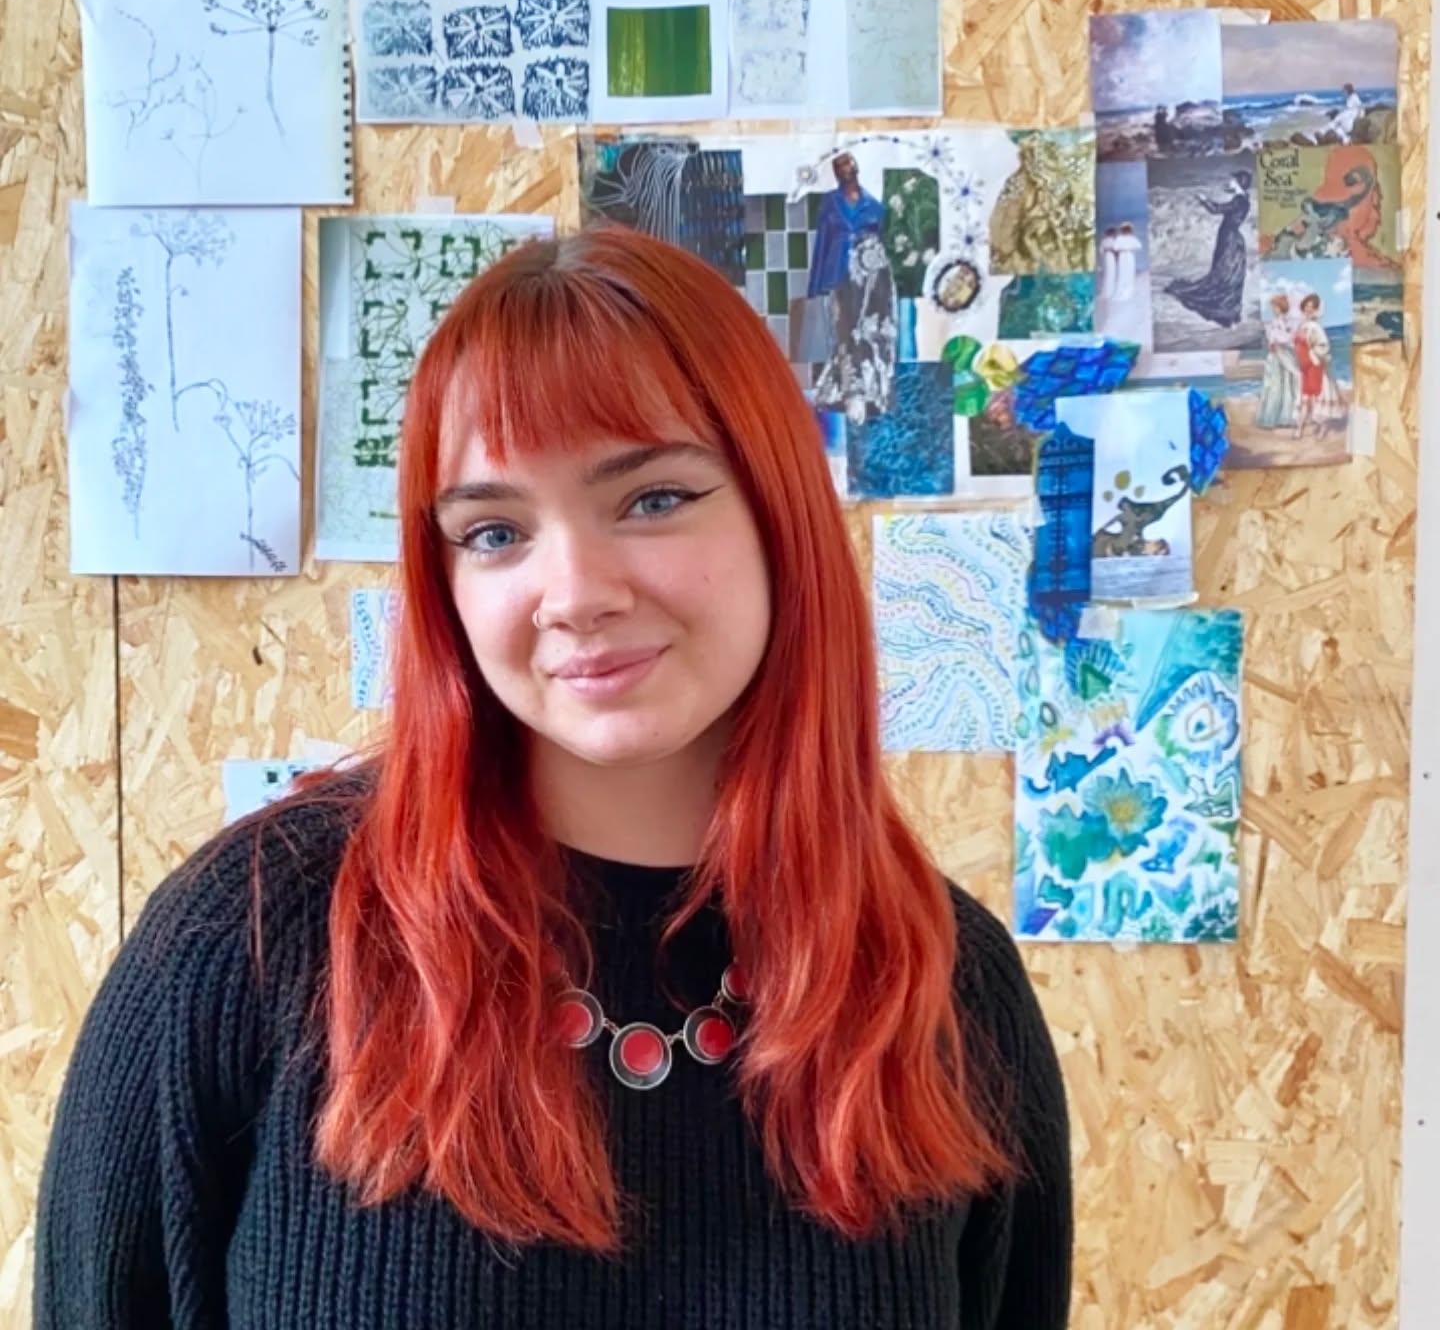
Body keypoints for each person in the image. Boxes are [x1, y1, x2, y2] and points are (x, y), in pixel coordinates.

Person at [33, 227, 1073, 1329]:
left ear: (782, 518)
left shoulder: (945, 989)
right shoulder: (245, 941)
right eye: (493, 531)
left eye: (653, 498)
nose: (573, 591)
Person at [807, 151, 898, 425]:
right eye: (841, 169)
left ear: (856, 170)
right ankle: (850, 391)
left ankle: (876, 391)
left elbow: (883, 238)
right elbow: (823, 240)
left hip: (873, 272)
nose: (846, 172)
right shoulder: (830, 202)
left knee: (874, 328)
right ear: (836, 174)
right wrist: (816, 283)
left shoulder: (875, 206)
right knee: (845, 328)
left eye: (850, 167)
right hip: (840, 271)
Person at [1164, 168, 1253, 328]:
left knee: (1223, 274)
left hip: (1229, 239)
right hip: (1233, 238)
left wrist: (1203, 199)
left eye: (1233, 180)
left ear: (1239, 183)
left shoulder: (1239, 200)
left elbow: (1215, 209)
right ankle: (1230, 312)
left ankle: (1224, 311)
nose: (1230, 182)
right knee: (1228, 275)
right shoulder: (1244, 199)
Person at [1294, 290, 1339, 438]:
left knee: (1316, 397)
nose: (1308, 309)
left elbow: (1324, 345)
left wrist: (1313, 355)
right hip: (1304, 367)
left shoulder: (1315, 327)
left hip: (1315, 367)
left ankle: (1321, 429)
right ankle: (1300, 428)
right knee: (1305, 398)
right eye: (1306, 306)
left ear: (1315, 309)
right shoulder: (1302, 325)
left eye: (1311, 306)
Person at [1256, 292, 1300, 430]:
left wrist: (1277, 341)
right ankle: (1272, 417)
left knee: (1286, 385)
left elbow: (1289, 339)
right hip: (1276, 357)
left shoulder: (1287, 322)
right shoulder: (1274, 323)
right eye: (1273, 307)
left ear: (1280, 307)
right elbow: (1273, 339)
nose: (1273, 310)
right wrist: (1274, 340)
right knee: (1275, 385)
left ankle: (1285, 417)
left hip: (1284, 355)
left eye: (1275, 307)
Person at [1112, 221, 1142, 300]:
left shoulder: (1132, 238)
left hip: (1130, 256)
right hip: (1122, 256)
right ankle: (1120, 293)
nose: (1127, 231)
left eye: (1128, 229)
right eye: (1125, 229)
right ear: (1122, 230)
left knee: (1129, 273)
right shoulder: (1119, 238)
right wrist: (1123, 248)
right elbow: (1115, 247)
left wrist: (1130, 248)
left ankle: (1128, 293)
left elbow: (1139, 246)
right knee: (1122, 273)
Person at [1099, 224, 1119, 299]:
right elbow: (1116, 250)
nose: (1115, 234)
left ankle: (1107, 291)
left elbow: (1101, 251)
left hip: (1106, 257)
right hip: (1111, 257)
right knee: (1111, 273)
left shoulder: (1104, 241)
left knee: (1108, 273)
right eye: (1114, 233)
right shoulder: (1113, 241)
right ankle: (1109, 292)